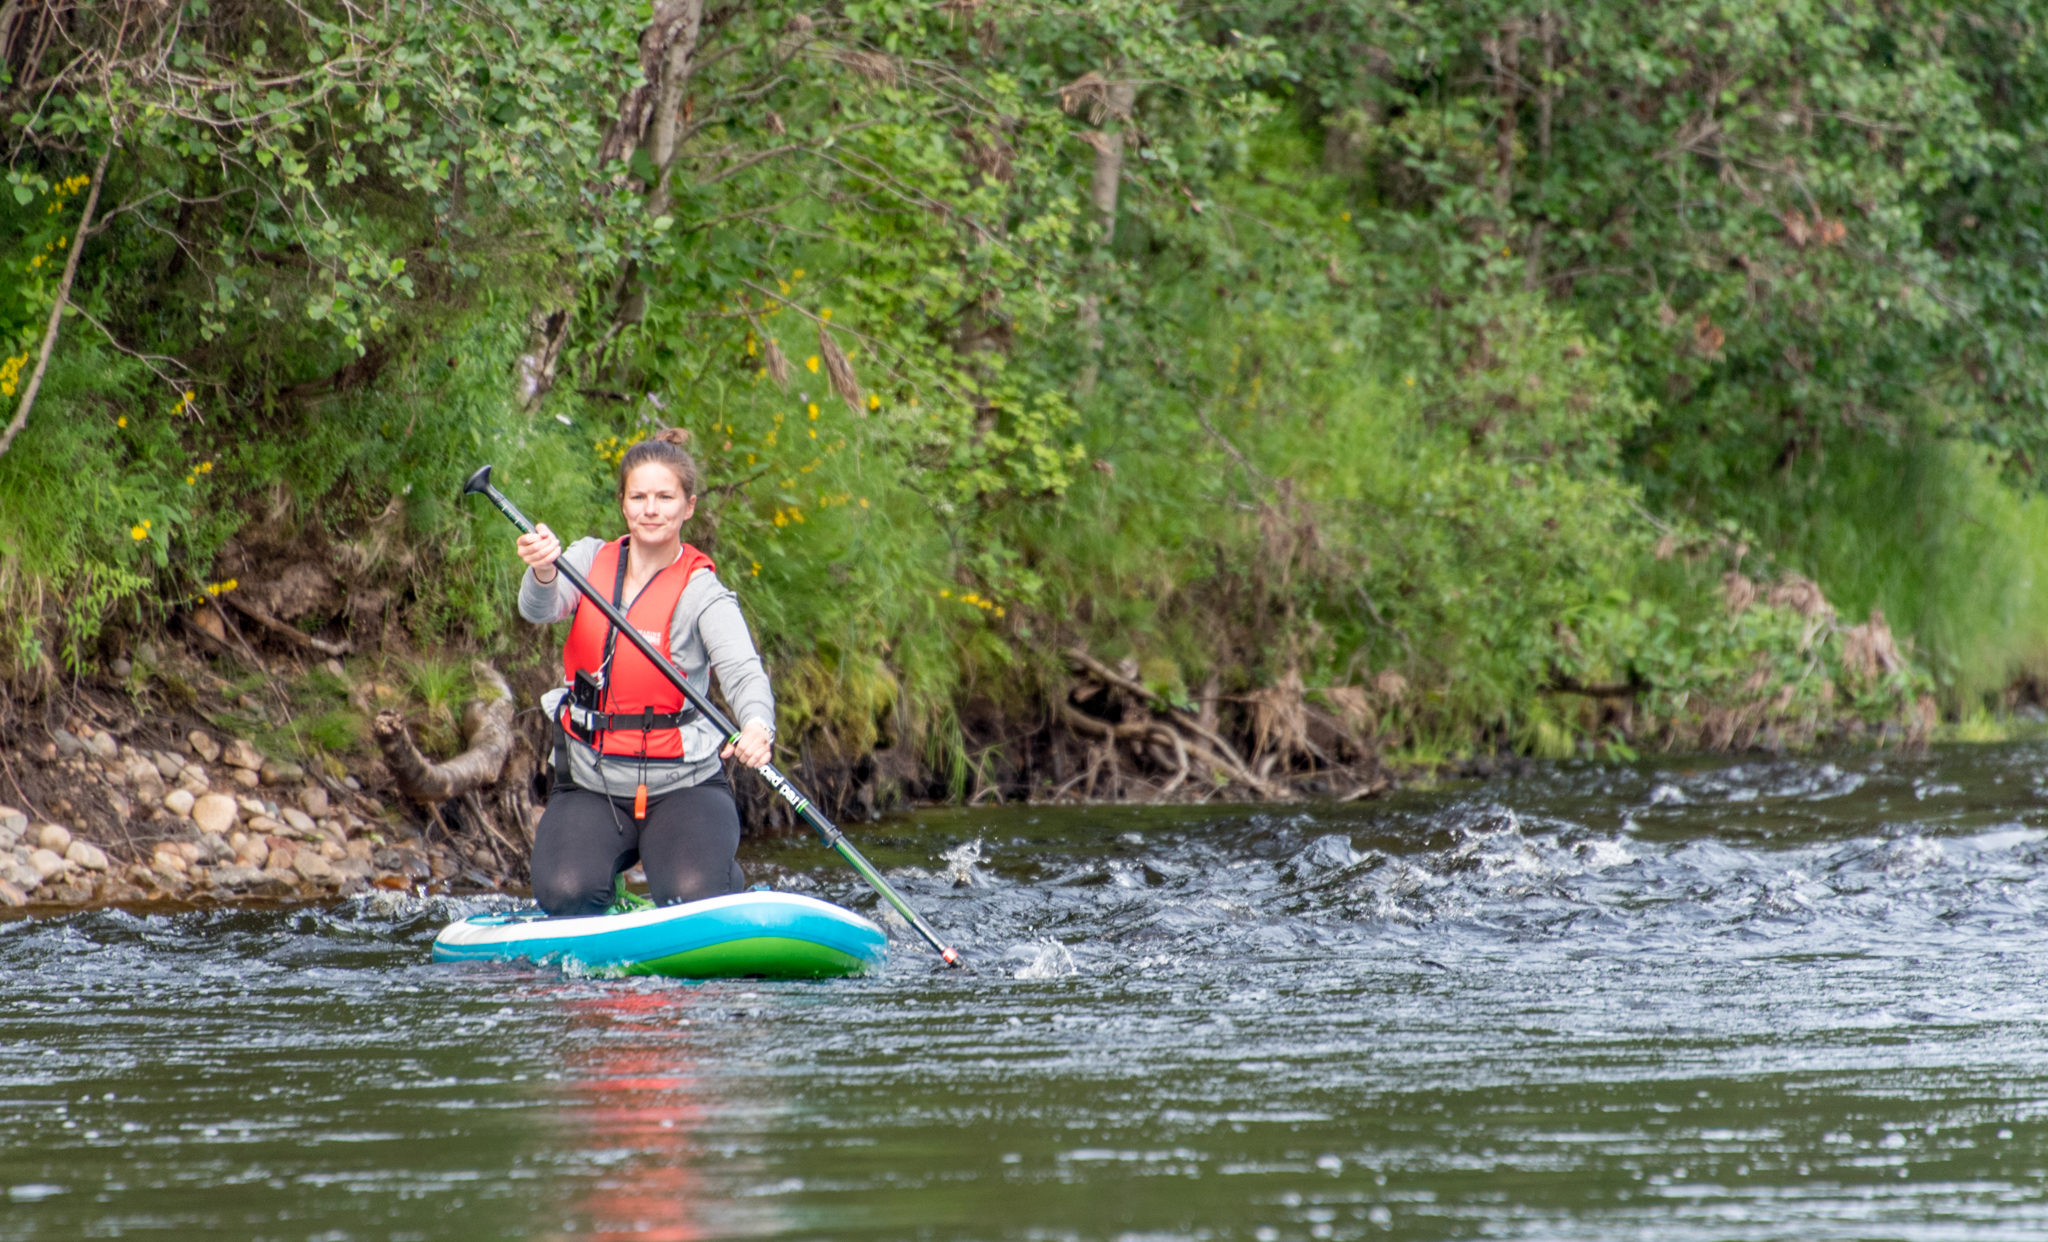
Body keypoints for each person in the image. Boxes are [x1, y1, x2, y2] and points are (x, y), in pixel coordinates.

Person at [513, 429, 775, 916]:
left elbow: (743, 671)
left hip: (684, 784)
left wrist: (757, 724)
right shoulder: (588, 559)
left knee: (693, 897)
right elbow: (538, 609)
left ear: (688, 506)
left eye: (664, 497)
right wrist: (545, 570)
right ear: (623, 503)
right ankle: (609, 897)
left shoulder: (702, 592)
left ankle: (720, 879)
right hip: (593, 780)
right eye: (639, 497)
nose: (650, 509)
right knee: (566, 894)